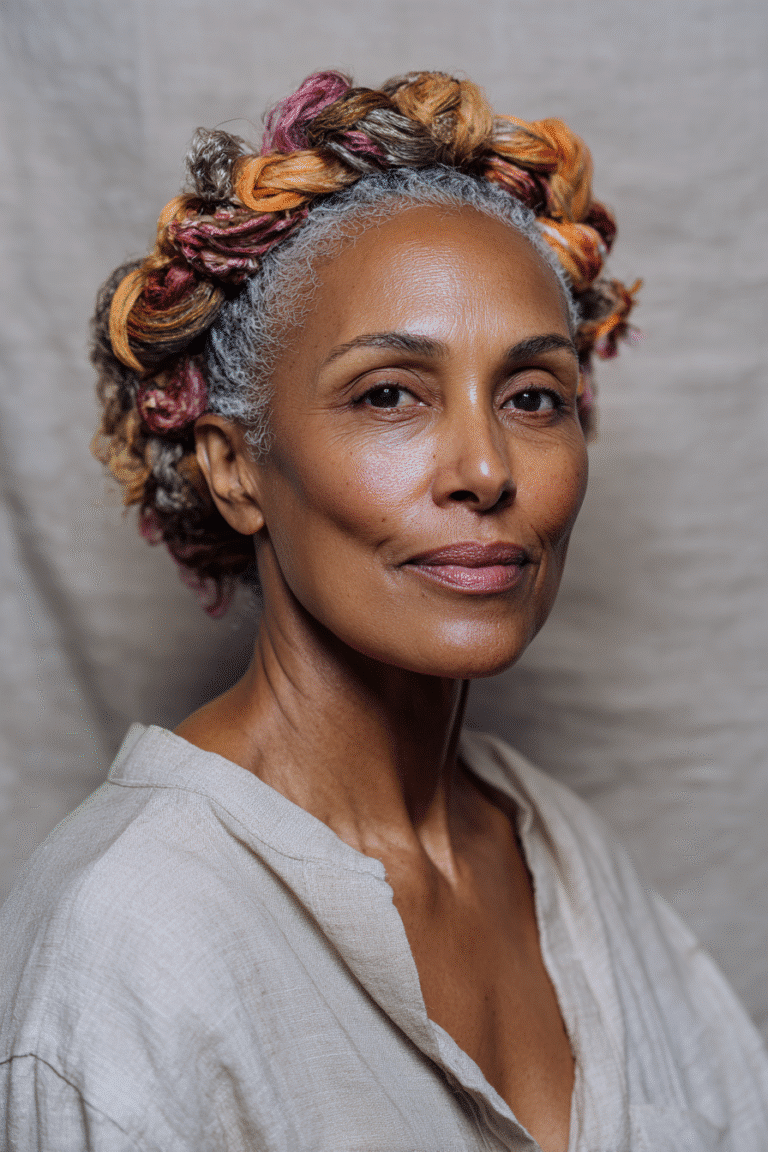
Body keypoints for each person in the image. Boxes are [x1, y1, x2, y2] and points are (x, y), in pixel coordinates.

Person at [0, 70, 766, 1152]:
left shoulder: (562, 857)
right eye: (389, 394)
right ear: (235, 470)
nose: (486, 468)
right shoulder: (127, 943)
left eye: (532, 397)